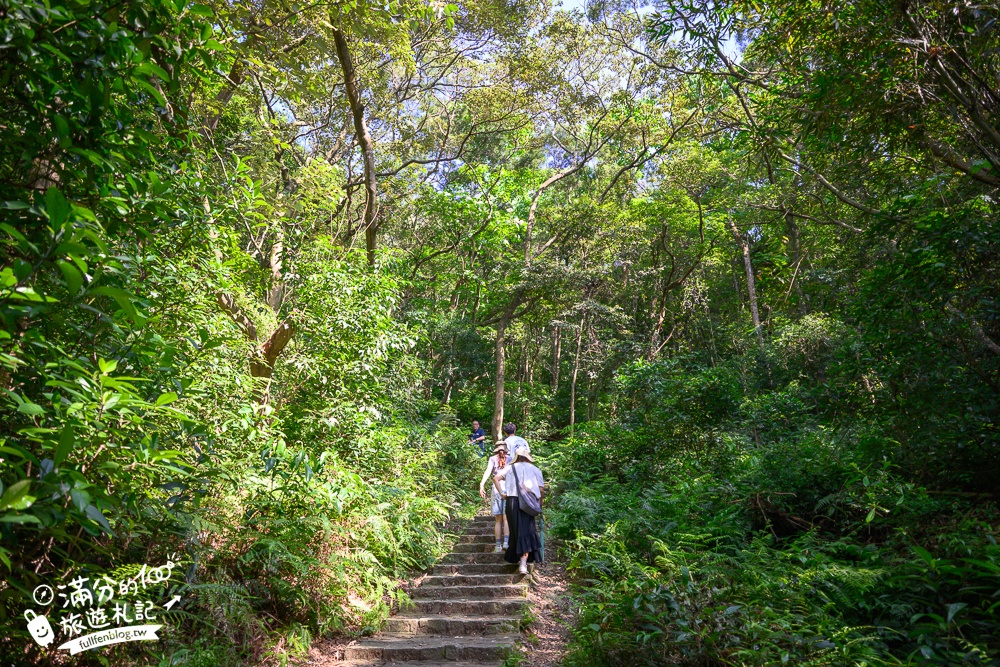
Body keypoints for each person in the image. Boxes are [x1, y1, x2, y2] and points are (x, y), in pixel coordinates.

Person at [493, 445, 544, 574]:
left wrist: (502, 493)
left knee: (516, 530)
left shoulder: (510, 468)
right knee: (526, 530)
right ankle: (523, 564)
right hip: (528, 502)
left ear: (516, 457)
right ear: (527, 457)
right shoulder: (535, 469)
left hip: (512, 502)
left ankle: (518, 559)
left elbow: (496, 478)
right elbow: (541, 490)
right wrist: (539, 505)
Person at [479, 442, 510, 553]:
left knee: (498, 520)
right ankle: (506, 542)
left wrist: (482, 484)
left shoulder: (492, 459)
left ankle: (498, 546)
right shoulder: (510, 459)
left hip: (496, 488)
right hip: (508, 487)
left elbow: (488, 471)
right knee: (507, 518)